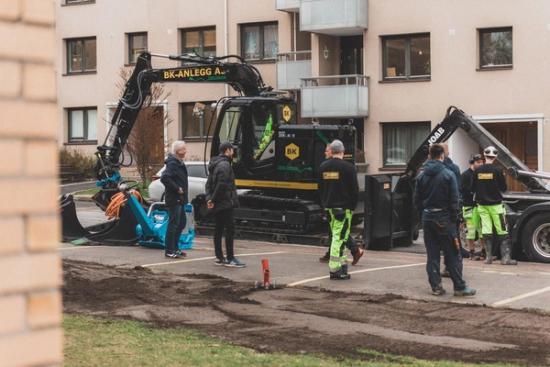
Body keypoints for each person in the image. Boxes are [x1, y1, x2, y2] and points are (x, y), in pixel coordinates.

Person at [414, 143, 476, 297]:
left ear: (429, 155)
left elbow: (416, 200)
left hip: (427, 218)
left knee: (432, 255)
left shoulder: (421, 175)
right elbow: (455, 199)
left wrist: (423, 214)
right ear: (442, 155)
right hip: (444, 219)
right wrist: (454, 219)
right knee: (453, 253)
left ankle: (436, 287)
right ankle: (459, 287)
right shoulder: (448, 174)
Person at [319, 140, 359, 280]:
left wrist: (324, 204)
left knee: (339, 236)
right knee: (339, 237)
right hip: (344, 209)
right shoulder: (349, 168)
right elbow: (354, 190)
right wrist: (352, 207)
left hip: (329, 207)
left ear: (332, 150)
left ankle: (342, 267)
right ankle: (335, 269)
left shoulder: (323, 167)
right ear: (343, 151)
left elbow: (320, 188)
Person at [473, 146, 517, 265]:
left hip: (482, 206)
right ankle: (506, 259)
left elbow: (473, 187)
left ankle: (488, 258)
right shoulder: (498, 170)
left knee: (486, 231)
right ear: (495, 157)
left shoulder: (477, 170)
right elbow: (503, 188)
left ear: (484, 155)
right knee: (502, 231)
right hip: (496, 206)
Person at [205, 141, 245, 268]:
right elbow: (221, 185)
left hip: (218, 203)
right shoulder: (225, 165)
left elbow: (208, 185)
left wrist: (209, 199)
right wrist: (213, 200)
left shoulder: (215, 164)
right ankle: (230, 258)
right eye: (232, 149)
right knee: (230, 229)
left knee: (218, 229)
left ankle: (219, 257)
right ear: (228, 151)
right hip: (225, 203)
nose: (233, 152)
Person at [161, 140, 189, 258]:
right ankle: (169, 250)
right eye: (183, 149)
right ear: (178, 151)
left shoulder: (179, 162)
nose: (185, 151)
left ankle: (175, 248)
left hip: (180, 199)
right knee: (173, 224)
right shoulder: (173, 163)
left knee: (181, 223)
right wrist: (177, 188)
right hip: (174, 199)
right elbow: (165, 178)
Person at [460, 154, 485, 260]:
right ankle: (472, 252)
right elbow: (465, 191)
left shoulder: (481, 174)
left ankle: (484, 252)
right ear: (472, 163)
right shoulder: (465, 175)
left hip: (479, 206)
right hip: (469, 206)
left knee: (482, 230)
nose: (481, 164)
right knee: (471, 230)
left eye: (482, 162)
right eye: (478, 162)